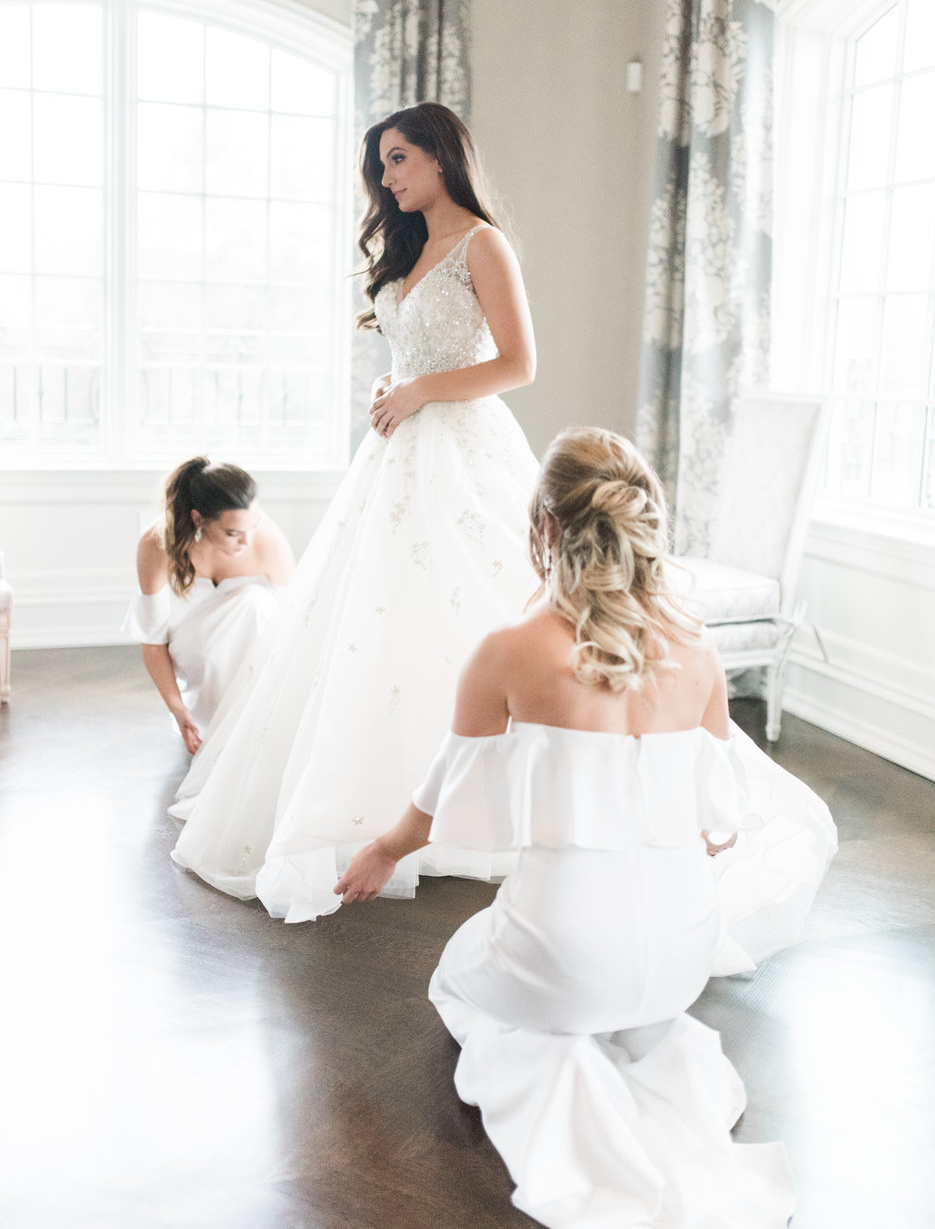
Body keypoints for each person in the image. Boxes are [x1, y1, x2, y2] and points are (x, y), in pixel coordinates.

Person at [336, 426, 836, 1228]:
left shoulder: (507, 651)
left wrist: (381, 852)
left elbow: (439, 799)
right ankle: (619, 1036)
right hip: (683, 959)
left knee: (462, 966)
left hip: (567, 953)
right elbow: (718, 828)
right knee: (592, 974)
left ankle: (569, 1056)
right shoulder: (698, 650)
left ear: (544, 528)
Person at [170, 102, 540, 920]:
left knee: (469, 608)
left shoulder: (484, 243)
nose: (388, 177)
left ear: (443, 158)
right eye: (382, 164)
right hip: (397, 452)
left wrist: (417, 389)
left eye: (400, 158)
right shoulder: (409, 248)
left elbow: (518, 363)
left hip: (465, 454)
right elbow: (417, 357)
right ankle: (367, 801)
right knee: (374, 623)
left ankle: (471, 817)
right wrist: (395, 386)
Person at [124, 457, 294, 753]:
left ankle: (262, 720)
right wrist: (178, 710)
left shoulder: (267, 541)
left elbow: (295, 623)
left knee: (254, 603)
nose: (247, 541)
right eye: (232, 533)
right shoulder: (157, 543)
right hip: (194, 651)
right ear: (198, 519)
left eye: (253, 525)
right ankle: (210, 718)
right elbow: (153, 641)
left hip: (256, 648)